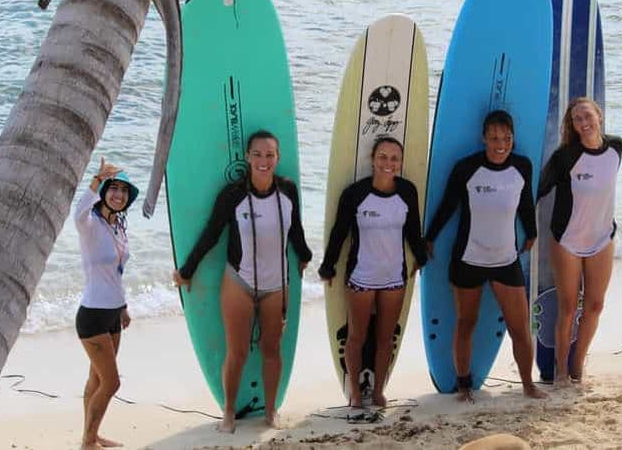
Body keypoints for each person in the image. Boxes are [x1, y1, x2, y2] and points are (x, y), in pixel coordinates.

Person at [172, 130, 312, 430]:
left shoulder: (287, 191)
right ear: (247, 157)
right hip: (239, 282)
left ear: (278, 158)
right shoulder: (233, 194)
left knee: (271, 349)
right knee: (236, 351)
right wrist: (188, 269)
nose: (264, 160)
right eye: (258, 154)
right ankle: (229, 413)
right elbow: (212, 233)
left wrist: (306, 255)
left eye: (270, 154)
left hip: (277, 284)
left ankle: (271, 410)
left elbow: (295, 230)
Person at [425, 110, 546, 401]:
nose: (500, 144)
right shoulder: (466, 168)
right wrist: (429, 238)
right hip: (468, 258)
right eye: (494, 138)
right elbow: (448, 205)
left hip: (506, 260)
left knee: (519, 327)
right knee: (466, 322)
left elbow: (526, 204)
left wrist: (531, 233)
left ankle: (528, 384)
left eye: (506, 138)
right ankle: (464, 385)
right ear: (484, 138)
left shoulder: (522, 166)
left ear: (513, 138)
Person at [319, 137, 427, 408]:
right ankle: (355, 393)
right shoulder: (355, 194)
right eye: (383, 157)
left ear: (400, 163)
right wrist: (328, 265)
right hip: (361, 277)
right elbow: (339, 232)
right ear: (373, 159)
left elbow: (413, 230)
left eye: (394, 158)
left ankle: (378, 391)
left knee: (385, 338)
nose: (388, 163)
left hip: (394, 278)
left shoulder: (407, 192)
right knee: (356, 336)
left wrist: (422, 257)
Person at [538, 97, 622, 387]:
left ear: (599, 116)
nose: (584, 122)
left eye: (588, 116)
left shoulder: (616, 147)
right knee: (568, 307)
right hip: (568, 240)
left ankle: (577, 366)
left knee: (595, 305)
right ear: (572, 126)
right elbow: (538, 191)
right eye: (577, 119)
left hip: (602, 237)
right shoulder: (565, 157)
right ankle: (561, 371)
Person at [74, 157, 138, 450]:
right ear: (104, 192)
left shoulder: (119, 227)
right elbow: (77, 213)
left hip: (113, 313)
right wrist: (96, 179)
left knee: (97, 379)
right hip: (92, 316)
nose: (119, 195)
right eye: (113, 188)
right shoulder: (90, 225)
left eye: (124, 191)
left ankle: (92, 435)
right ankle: (88, 442)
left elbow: (116, 273)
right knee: (112, 384)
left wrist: (123, 306)